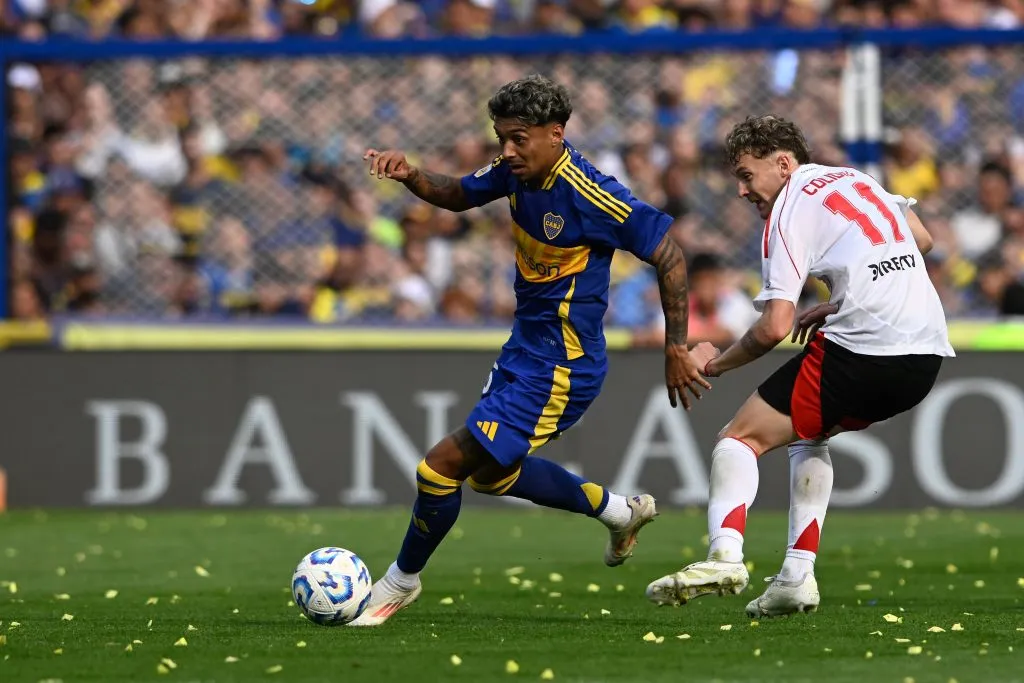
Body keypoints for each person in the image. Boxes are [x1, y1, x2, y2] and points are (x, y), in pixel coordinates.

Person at [351, 74, 710, 626]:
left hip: (562, 365)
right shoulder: (516, 171)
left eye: (519, 138)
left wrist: (676, 347)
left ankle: (399, 582)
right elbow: (458, 195)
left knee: (438, 468)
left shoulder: (592, 193)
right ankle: (619, 512)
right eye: (501, 138)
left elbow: (669, 255)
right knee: (492, 475)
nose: (507, 150)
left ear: (556, 134)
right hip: (526, 349)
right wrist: (412, 176)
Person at [645, 115, 954, 618]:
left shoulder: (789, 207)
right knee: (809, 436)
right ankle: (796, 577)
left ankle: (724, 556)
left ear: (783, 163)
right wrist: (841, 301)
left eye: (747, 175)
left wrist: (713, 364)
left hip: (866, 349)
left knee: (739, 438)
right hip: (924, 355)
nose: (743, 191)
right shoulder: (857, 179)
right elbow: (921, 240)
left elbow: (773, 328)